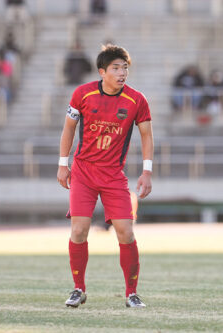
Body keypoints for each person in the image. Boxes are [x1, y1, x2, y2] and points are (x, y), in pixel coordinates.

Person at [57, 44, 153, 308]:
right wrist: (62, 164)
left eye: (125, 68)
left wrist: (147, 171)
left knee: (126, 232)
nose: (122, 73)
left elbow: (147, 135)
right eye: (116, 68)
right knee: (79, 230)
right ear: (102, 72)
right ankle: (78, 288)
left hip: (113, 175)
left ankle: (132, 293)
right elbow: (68, 129)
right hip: (83, 171)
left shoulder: (137, 100)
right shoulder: (82, 94)